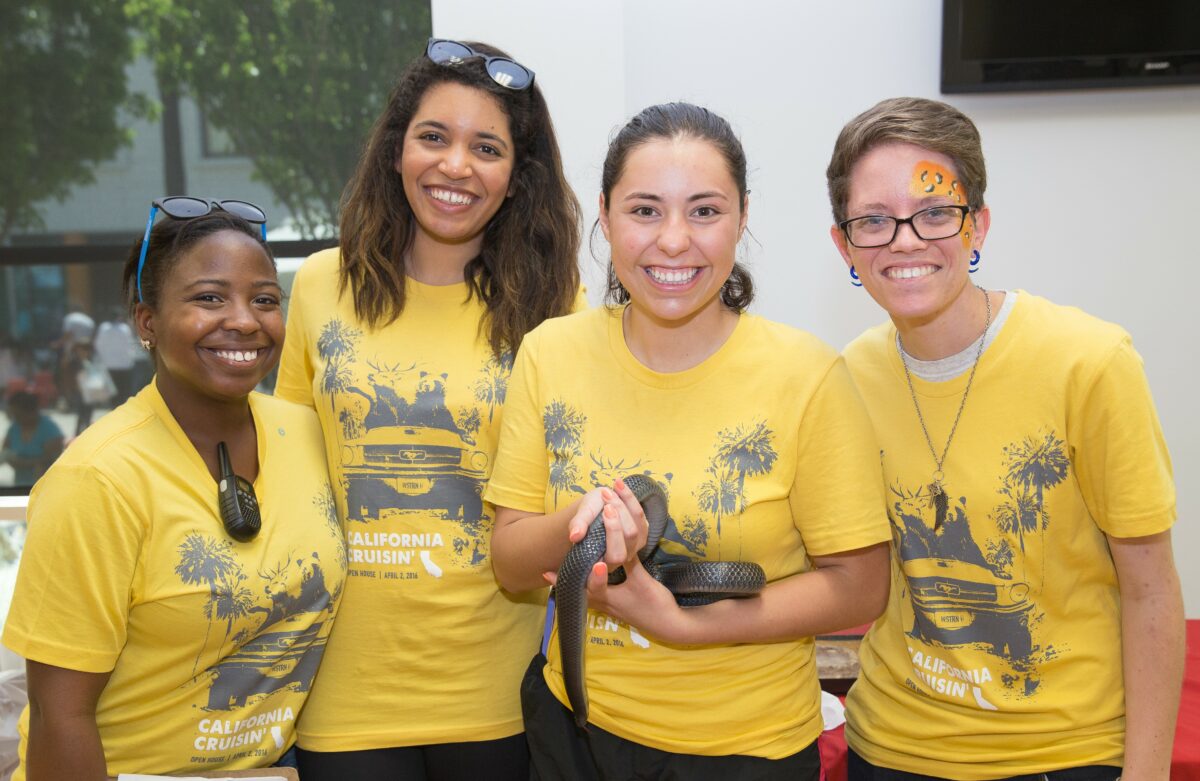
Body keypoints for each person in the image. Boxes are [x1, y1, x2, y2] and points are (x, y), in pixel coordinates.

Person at [486, 102, 891, 780]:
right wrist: (588, 520)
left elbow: (860, 586)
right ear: (606, 215)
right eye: (645, 210)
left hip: (744, 752)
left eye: (704, 211)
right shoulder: (549, 352)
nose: (674, 240)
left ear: (742, 218)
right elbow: (509, 561)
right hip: (574, 731)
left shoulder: (809, 374)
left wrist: (681, 623)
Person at [826, 97, 1184, 780]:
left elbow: (1151, 589)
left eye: (934, 212)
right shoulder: (847, 377)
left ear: (977, 224)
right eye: (873, 220)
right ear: (844, 243)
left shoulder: (1090, 362)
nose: (904, 239)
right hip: (891, 750)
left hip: (1062, 754)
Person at [274, 39, 581, 780]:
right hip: (342, 692)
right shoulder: (319, 286)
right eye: (433, 137)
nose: (455, 166)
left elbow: (565, 500)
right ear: (396, 150)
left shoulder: (556, 312)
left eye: (487, 147)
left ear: (516, 177)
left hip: (499, 691)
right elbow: (290, 475)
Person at [2, 201, 346, 780]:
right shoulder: (97, 480)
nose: (243, 320)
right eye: (209, 298)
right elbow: (62, 716)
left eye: (264, 298)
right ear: (146, 322)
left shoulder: (307, 433)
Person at [0, 391, 63, 486]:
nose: (14, 418)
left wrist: (23, 462)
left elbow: (52, 459)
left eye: (17, 414)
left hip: (44, 486)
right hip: (19, 486)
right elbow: (5, 451)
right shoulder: (14, 428)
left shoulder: (50, 430)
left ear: (30, 412)